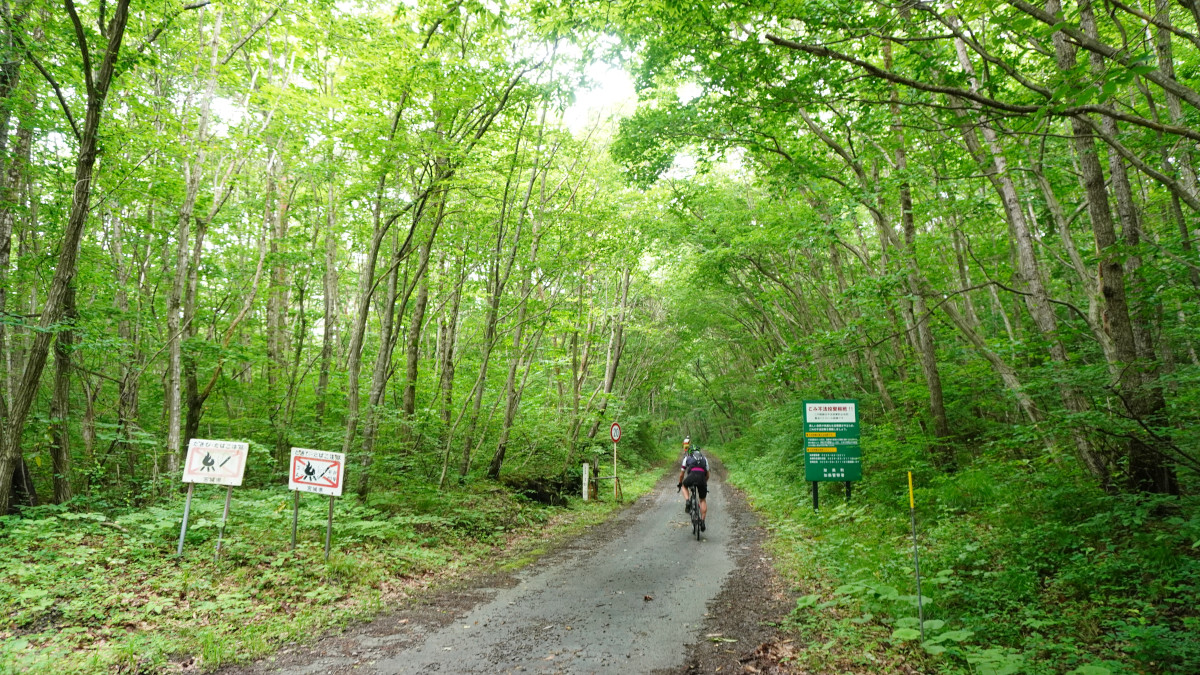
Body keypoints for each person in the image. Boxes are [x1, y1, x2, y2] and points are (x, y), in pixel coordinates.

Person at [677, 443, 709, 531]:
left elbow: (682, 474)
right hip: (702, 478)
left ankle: (687, 501)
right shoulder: (704, 459)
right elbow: (707, 474)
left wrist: (680, 483)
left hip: (691, 476)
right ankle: (702, 521)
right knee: (702, 499)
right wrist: (704, 483)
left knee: (684, 485)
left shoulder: (687, 458)